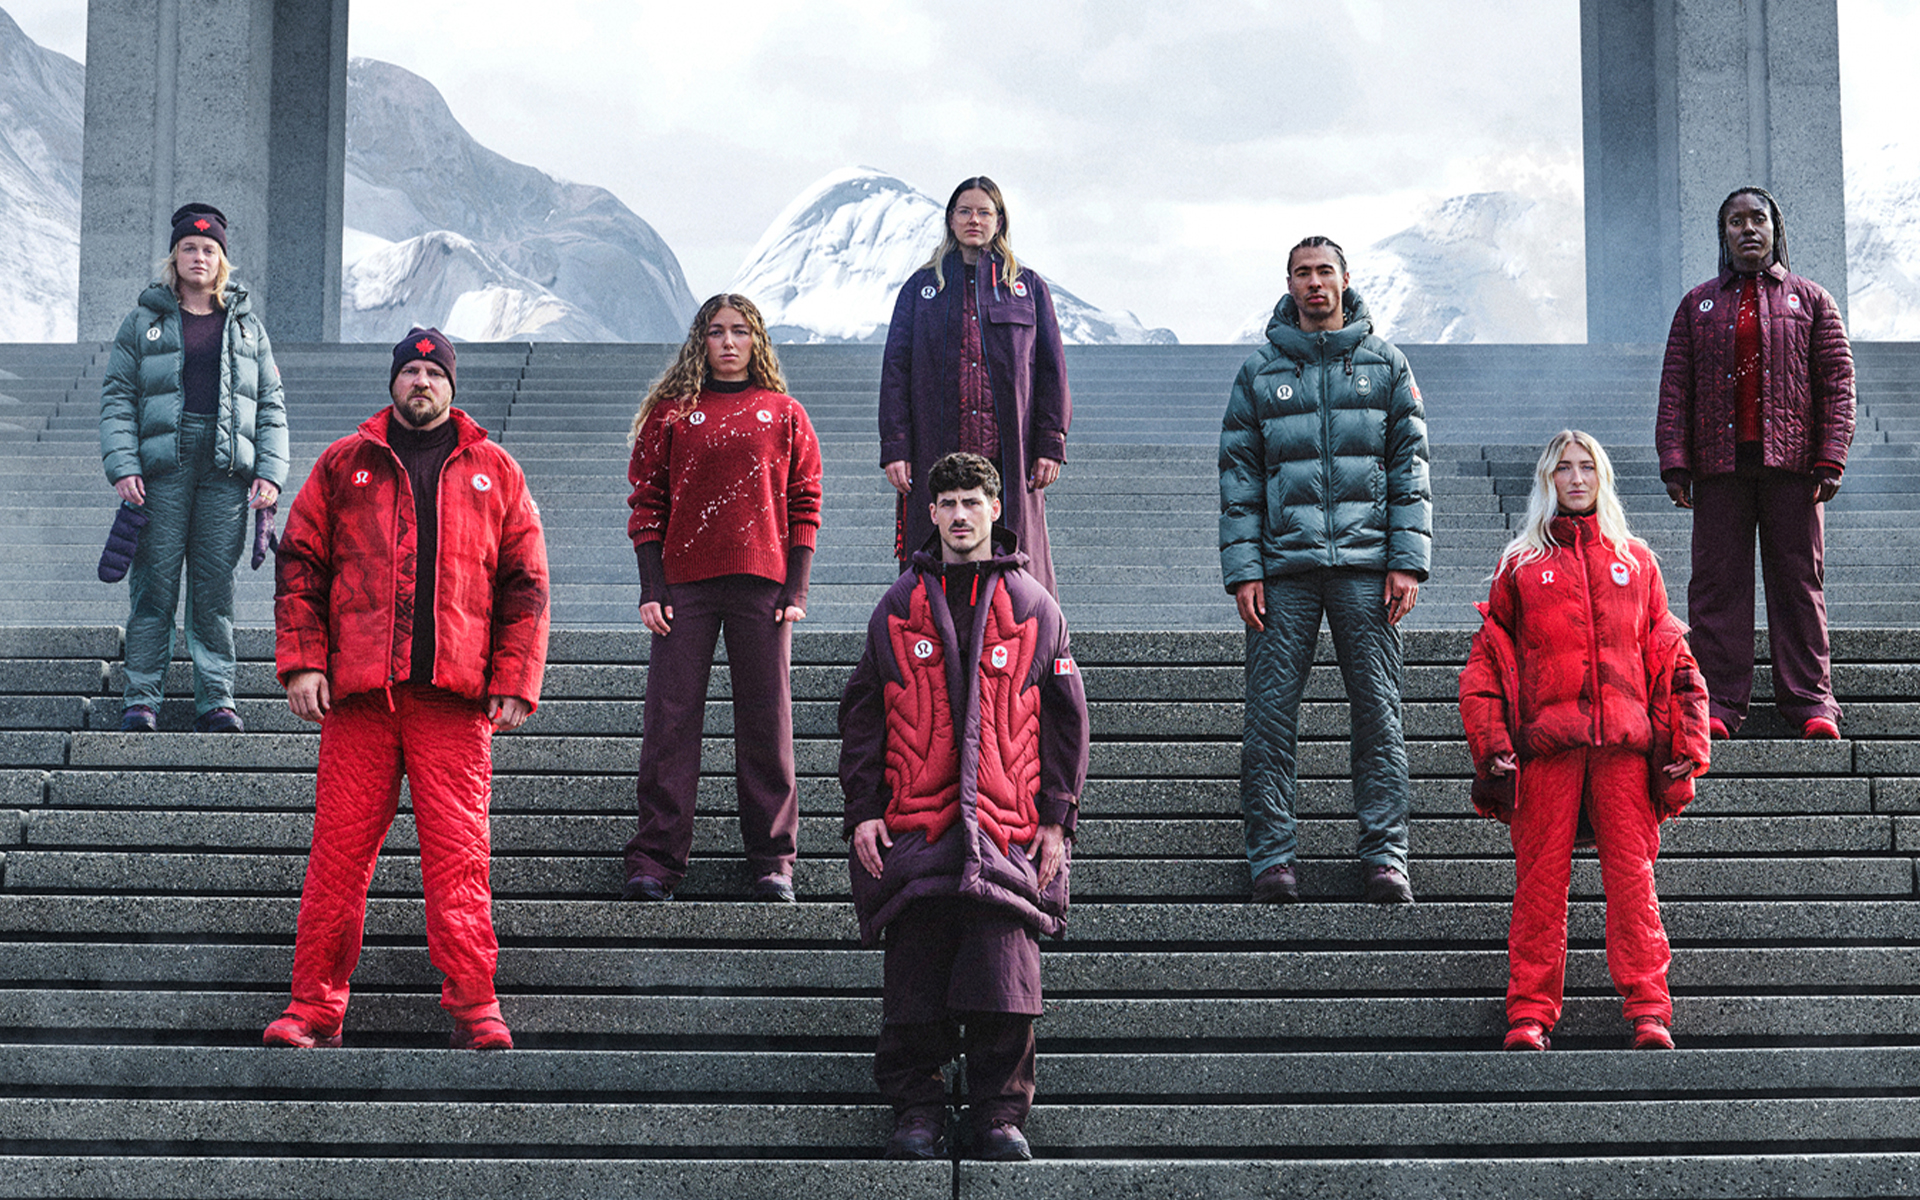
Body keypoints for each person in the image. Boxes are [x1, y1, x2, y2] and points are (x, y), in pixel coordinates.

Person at [264, 328, 550, 1051]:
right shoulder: (341, 465)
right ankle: (314, 1010)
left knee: (460, 858)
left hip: (452, 703)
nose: (420, 382)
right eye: (410, 371)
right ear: (393, 383)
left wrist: (515, 677)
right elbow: (299, 564)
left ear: (452, 387)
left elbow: (527, 585)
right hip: (360, 698)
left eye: (433, 372)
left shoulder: (496, 471)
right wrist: (303, 661)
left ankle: (476, 1007)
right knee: (337, 860)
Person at [838, 452, 1089, 1162]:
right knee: (913, 986)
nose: (957, 515)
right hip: (921, 829)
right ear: (931, 513)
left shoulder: (1038, 607)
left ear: (994, 509)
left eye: (970, 502)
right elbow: (861, 718)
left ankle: (998, 1116)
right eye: (945, 503)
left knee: (1005, 982)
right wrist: (863, 809)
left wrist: (1058, 817)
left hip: (1008, 832)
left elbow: (1069, 722)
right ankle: (916, 1110)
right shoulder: (896, 606)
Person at [1459, 431, 1711, 1052]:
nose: (1576, 479)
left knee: (1634, 882)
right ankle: (1529, 1016)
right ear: (1547, 481)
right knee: (1540, 884)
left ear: (1602, 478)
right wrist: (1492, 741)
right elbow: (1488, 664)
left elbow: (1674, 657)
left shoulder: (1638, 560)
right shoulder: (1519, 565)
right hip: (1548, 749)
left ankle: (1650, 1011)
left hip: (1624, 749)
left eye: (1587, 468)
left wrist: (1687, 736)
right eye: (1563, 469)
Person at [1218, 235, 1430, 906]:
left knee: (1378, 714)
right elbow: (1239, 478)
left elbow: (1411, 472)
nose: (1315, 284)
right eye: (1303, 273)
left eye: (1325, 272)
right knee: (1271, 716)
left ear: (1344, 280)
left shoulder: (1386, 366)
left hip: (1369, 569)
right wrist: (1244, 569)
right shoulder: (1258, 372)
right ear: (1289, 282)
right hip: (1283, 571)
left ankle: (1385, 855)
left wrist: (1408, 562)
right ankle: (1272, 857)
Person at [620, 295, 823, 904]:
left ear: (757, 340)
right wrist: (651, 586)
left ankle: (772, 861)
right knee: (670, 721)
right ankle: (656, 860)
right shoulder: (671, 414)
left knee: (767, 721)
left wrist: (798, 585)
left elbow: (805, 501)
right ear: (700, 341)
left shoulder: (784, 413)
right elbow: (647, 502)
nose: (728, 342)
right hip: (684, 587)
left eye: (740, 332)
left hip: (763, 586)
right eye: (716, 332)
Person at [1656, 185, 1856, 740]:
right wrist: (1675, 461)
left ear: (1775, 229)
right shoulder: (1697, 305)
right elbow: (1676, 387)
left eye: (1758, 219)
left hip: (1793, 469)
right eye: (1736, 221)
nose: (1748, 229)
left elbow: (1837, 384)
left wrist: (1830, 457)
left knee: (1798, 583)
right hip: (1720, 468)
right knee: (1718, 587)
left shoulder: (1811, 300)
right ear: (1723, 235)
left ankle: (1812, 703)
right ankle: (1717, 705)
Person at [98, 202, 287, 733]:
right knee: (154, 585)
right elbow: (117, 397)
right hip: (162, 464)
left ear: (221, 258)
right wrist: (123, 464)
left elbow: (271, 403)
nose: (198, 256)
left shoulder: (247, 326)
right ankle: (142, 698)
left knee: (213, 588)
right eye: (189, 247)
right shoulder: (143, 322)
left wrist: (269, 472)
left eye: (208, 249)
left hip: (225, 469)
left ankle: (217, 699)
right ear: (174, 256)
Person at [879, 176, 1071, 597]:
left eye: (984, 212)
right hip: (936, 451)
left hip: (1009, 455)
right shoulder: (920, 290)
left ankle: (1024, 647)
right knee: (930, 563)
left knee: (1018, 567)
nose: (974, 219)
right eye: (964, 211)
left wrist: (1050, 443)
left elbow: (1051, 371)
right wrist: (896, 447)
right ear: (950, 220)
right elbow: (896, 371)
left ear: (999, 221)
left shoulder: (1027, 289)